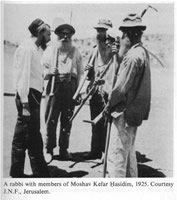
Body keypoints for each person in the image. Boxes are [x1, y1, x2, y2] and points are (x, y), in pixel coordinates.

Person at [104, 13, 151, 177]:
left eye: (124, 33)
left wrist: (108, 104)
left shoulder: (132, 57)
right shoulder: (142, 52)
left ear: (128, 34)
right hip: (134, 113)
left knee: (117, 159)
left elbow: (120, 89)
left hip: (124, 113)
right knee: (129, 156)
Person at [10, 18, 51, 177]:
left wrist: (47, 74)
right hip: (27, 96)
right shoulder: (27, 48)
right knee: (27, 137)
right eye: (47, 34)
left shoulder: (36, 49)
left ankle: (21, 173)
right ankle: (33, 173)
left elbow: (36, 76)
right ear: (40, 33)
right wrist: (25, 105)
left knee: (27, 135)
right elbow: (22, 78)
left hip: (33, 95)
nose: (49, 38)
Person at [41, 19, 84, 161]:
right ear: (57, 35)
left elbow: (81, 72)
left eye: (68, 34)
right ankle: (49, 149)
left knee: (67, 120)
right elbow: (42, 67)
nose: (65, 37)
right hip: (54, 87)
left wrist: (80, 92)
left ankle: (64, 149)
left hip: (70, 87)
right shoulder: (51, 50)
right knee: (51, 120)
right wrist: (48, 71)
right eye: (62, 34)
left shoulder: (76, 51)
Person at [83, 19, 116, 160]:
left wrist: (116, 54)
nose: (100, 34)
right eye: (98, 31)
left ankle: (105, 153)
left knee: (106, 123)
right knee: (94, 123)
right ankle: (95, 151)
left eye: (103, 31)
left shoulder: (113, 50)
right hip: (95, 92)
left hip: (108, 92)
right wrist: (88, 73)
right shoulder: (94, 50)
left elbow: (116, 70)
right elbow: (90, 72)